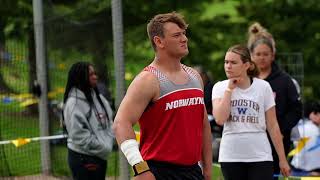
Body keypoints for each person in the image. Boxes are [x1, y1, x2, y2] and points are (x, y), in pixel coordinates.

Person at [112, 12, 212, 180]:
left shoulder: (195, 76)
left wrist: (207, 168)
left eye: (184, 33)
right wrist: (140, 168)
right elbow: (121, 123)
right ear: (159, 41)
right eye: (177, 35)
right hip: (158, 171)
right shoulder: (148, 80)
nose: (184, 39)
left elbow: (203, 125)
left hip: (193, 171)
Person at [211, 44, 291, 180]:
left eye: (233, 62)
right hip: (231, 156)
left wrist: (282, 159)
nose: (228, 66)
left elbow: (273, 125)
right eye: (226, 62)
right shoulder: (220, 87)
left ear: (246, 65)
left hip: (260, 155)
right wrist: (229, 90)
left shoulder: (263, 87)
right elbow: (220, 119)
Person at [247, 22, 302, 178]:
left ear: (273, 55)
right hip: (250, 142)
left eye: (266, 54)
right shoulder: (245, 80)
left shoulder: (285, 81)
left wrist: (281, 129)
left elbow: (296, 109)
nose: (262, 58)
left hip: (275, 143)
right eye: (258, 54)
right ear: (251, 55)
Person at [63, 62, 114, 180]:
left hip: (100, 156)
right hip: (83, 158)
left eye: (95, 73)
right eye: (91, 74)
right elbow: (78, 135)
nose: (95, 76)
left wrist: (108, 141)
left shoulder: (98, 98)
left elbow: (109, 121)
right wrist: (103, 147)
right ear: (81, 77)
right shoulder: (73, 103)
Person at [290, 101, 320, 175]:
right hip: (312, 170)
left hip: (296, 168)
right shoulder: (314, 129)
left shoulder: (297, 127)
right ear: (313, 114)